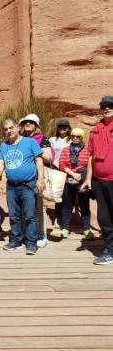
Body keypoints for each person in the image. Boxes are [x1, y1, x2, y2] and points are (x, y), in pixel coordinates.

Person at [0, 119, 45, 255]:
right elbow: (0, 164)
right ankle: (16, 240)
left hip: (28, 185)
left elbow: (39, 161)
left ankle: (31, 243)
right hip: (12, 186)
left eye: (11, 128)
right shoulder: (4, 146)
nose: (8, 131)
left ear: (18, 128)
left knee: (30, 216)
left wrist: (40, 180)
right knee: (14, 215)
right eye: (6, 129)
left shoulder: (30, 142)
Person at [82, 95, 113, 265]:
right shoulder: (95, 131)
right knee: (104, 216)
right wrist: (88, 179)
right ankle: (109, 249)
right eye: (103, 106)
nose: (106, 108)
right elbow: (91, 156)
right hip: (100, 180)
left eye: (110, 105)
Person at [20, 114, 53, 248]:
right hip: (22, 178)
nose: (28, 124)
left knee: (38, 208)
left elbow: (49, 157)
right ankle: (26, 234)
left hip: (37, 177)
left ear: (36, 126)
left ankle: (41, 235)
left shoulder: (43, 140)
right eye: (25, 122)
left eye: (31, 122)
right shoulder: (20, 139)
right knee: (23, 207)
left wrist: (34, 149)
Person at [59, 128, 93, 239]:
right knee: (67, 204)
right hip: (69, 179)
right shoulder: (65, 150)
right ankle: (65, 228)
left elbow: (91, 165)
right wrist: (73, 174)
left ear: (82, 137)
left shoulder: (88, 150)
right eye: (73, 136)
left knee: (84, 205)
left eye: (78, 136)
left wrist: (82, 176)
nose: (75, 138)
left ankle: (87, 229)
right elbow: (62, 164)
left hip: (83, 181)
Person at [49, 119, 71, 229]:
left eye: (65, 127)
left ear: (68, 128)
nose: (62, 129)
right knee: (58, 194)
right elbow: (50, 153)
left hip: (67, 170)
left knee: (67, 195)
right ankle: (58, 218)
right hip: (56, 170)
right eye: (60, 127)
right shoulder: (53, 140)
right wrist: (54, 163)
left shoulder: (71, 141)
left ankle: (65, 219)